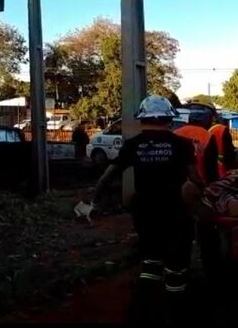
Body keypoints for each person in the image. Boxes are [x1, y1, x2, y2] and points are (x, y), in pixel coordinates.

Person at [89, 95, 203, 323]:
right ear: (168, 119)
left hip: (144, 214)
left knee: (151, 258)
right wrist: (202, 192)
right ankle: (176, 309)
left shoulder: (133, 145)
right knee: (176, 265)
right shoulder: (181, 145)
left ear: (143, 119)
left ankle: (144, 305)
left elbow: (109, 175)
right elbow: (194, 178)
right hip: (175, 214)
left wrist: (94, 199)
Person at [189, 101, 237, 178]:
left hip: (187, 183)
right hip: (216, 179)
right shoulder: (218, 131)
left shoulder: (178, 132)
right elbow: (230, 158)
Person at [174, 108, 220, 185]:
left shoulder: (176, 133)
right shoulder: (208, 136)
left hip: (179, 184)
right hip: (200, 184)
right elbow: (211, 167)